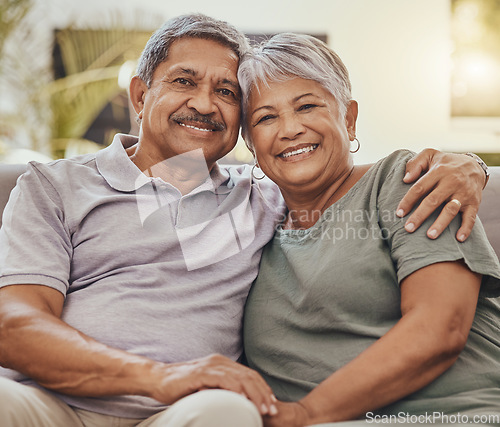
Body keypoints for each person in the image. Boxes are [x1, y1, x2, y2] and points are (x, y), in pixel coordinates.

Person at [0, 13, 491, 427]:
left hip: (185, 412)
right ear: (140, 95)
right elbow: (13, 324)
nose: (205, 103)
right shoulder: (54, 187)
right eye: (184, 81)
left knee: (226, 412)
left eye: (227, 92)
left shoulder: (261, 196)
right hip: (48, 401)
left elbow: (340, 182)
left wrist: (468, 165)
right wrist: (159, 375)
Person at [239, 33, 500, 427]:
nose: (290, 129)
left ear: (348, 118)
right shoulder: (251, 221)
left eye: (307, 105)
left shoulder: (404, 179)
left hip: (459, 415)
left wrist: (307, 414)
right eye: (265, 117)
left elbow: (441, 328)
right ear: (250, 143)